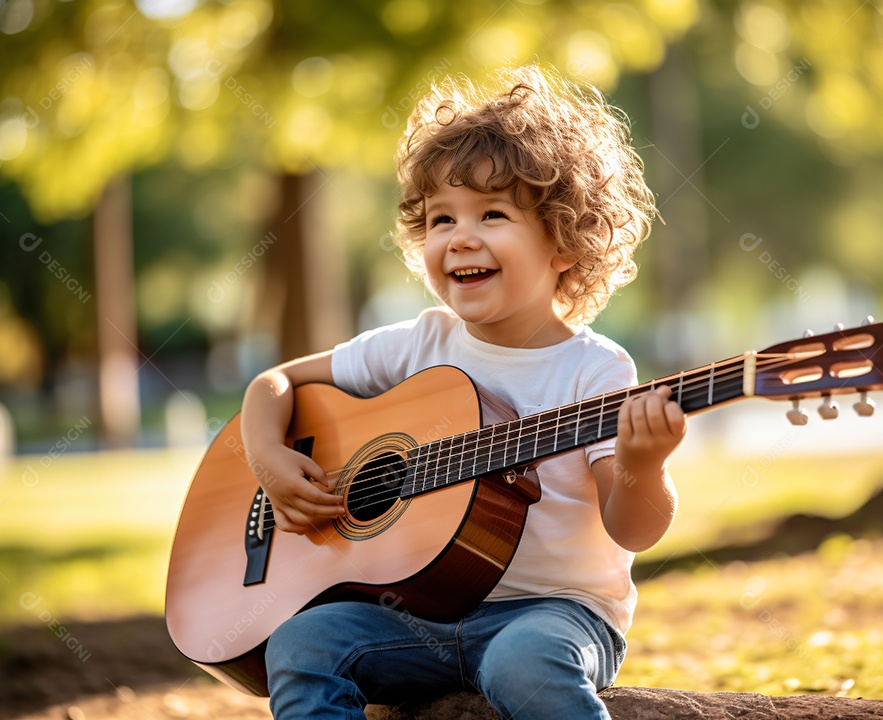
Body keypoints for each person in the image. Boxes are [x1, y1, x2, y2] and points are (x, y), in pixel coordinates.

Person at [240, 64, 687, 720]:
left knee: (523, 662)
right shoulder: (420, 344)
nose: (460, 237)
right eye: (441, 218)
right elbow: (275, 383)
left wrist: (644, 465)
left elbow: (633, 529)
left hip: (555, 613)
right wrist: (268, 458)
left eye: (493, 214)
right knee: (303, 643)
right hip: (416, 615)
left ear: (565, 243)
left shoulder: (594, 371)